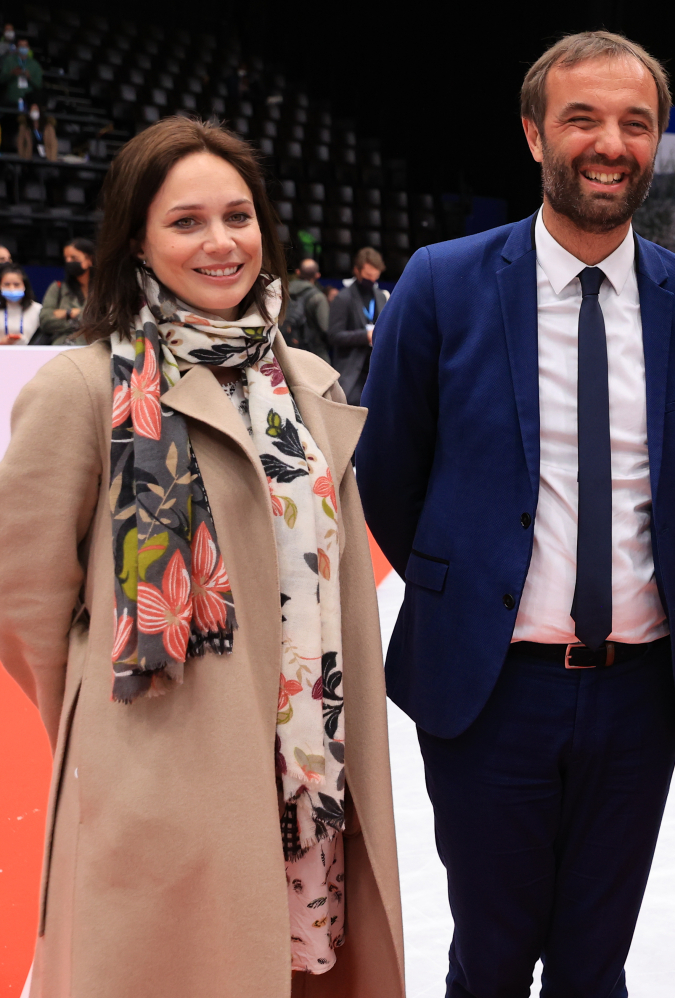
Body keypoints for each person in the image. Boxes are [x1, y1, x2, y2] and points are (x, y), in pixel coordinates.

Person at [357, 31, 675, 998]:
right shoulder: (442, 283)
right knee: (489, 958)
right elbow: (391, 472)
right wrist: (474, 589)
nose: (608, 143)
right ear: (535, 135)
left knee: (593, 965)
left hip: (638, 694)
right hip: (489, 695)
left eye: (634, 123)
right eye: (582, 119)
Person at [0, 116, 406, 997]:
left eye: (239, 216)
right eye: (186, 222)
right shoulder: (82, 389)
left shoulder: (305, 380)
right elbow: (23, 598)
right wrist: (109, 733)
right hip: (163, 774)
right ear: (137, 239)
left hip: (309, 775)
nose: (221, 242)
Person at [327, 246, 388, 403]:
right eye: (368, 275)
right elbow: (334, 335)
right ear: (357, 271)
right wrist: (365, 336)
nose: (372, 280)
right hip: (352, 372)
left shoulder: (381, 296)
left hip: (376, 370)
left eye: (376, 276)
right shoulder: (343, 298)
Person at [38, 237, 94, 345]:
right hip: (63, 347)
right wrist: (73, 315)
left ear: (89, 260)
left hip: (95, 348)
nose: (69, 262)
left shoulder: (103, 290)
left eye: (74, 258)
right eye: (66, 258)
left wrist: (66, 314)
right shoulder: (57, 288)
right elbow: (45, 320)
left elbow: (103, 321)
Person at [285, 256, 332, 362]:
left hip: (286, 350)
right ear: (317, 275)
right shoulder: (318, 297)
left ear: (297, 272)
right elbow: (325, 328)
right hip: (314, 353)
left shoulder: (283, 292)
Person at [0, 261, 41, 343]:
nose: (12, 288)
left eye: (16, 284)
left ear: (24, 286)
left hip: (30, 354)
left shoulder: (38, 309)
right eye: (7, 284)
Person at [1, 36, 41, 112]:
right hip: (11, 99)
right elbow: (1, 79)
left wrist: (29, 77)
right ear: (17, 47)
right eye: (21, 46)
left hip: (29, 101)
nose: (23, 48)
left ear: (28, 48)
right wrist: (12, 73)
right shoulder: (9, 61)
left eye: (25, 46)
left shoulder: (34, 64)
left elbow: (39, 85)